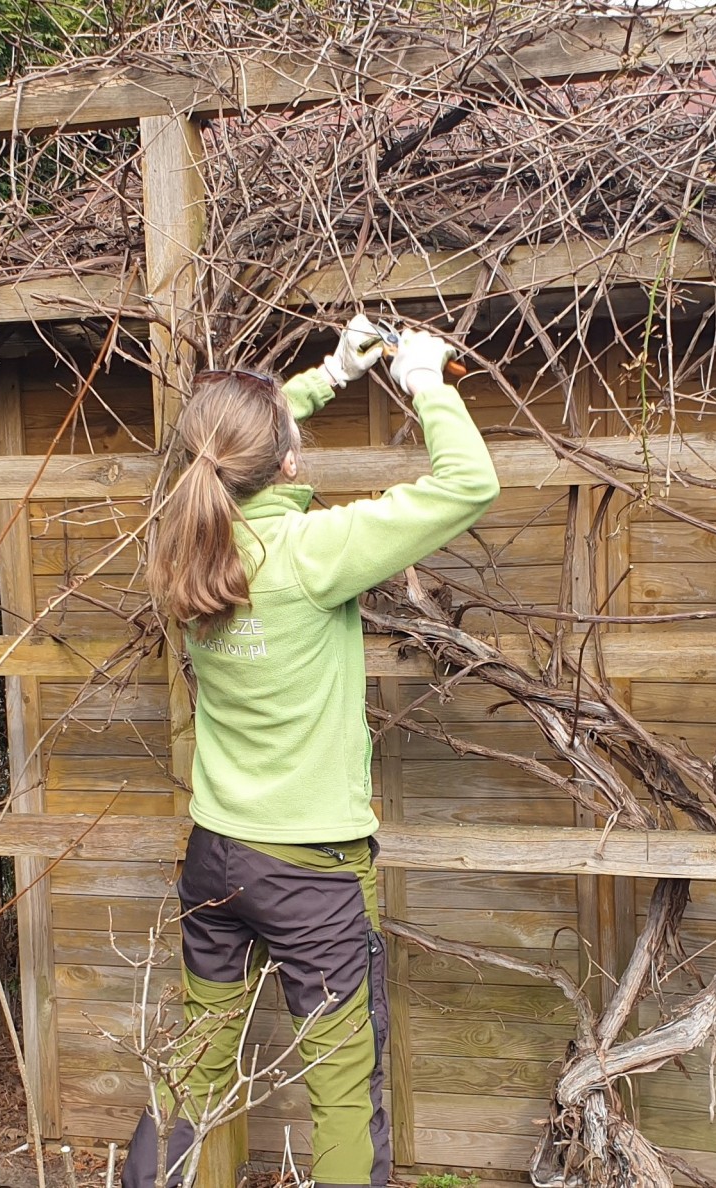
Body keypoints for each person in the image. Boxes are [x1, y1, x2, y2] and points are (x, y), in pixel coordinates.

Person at [122, 320, 499, 1188]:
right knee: (341, 1092)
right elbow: (469, 483)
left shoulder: (185, 544)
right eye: (296, 442)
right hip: (310, 873)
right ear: (288, 465)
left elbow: (222, 446)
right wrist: (422, 379)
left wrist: (328, 376)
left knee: (189, 1071)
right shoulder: (310, 554)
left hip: (216, 856)